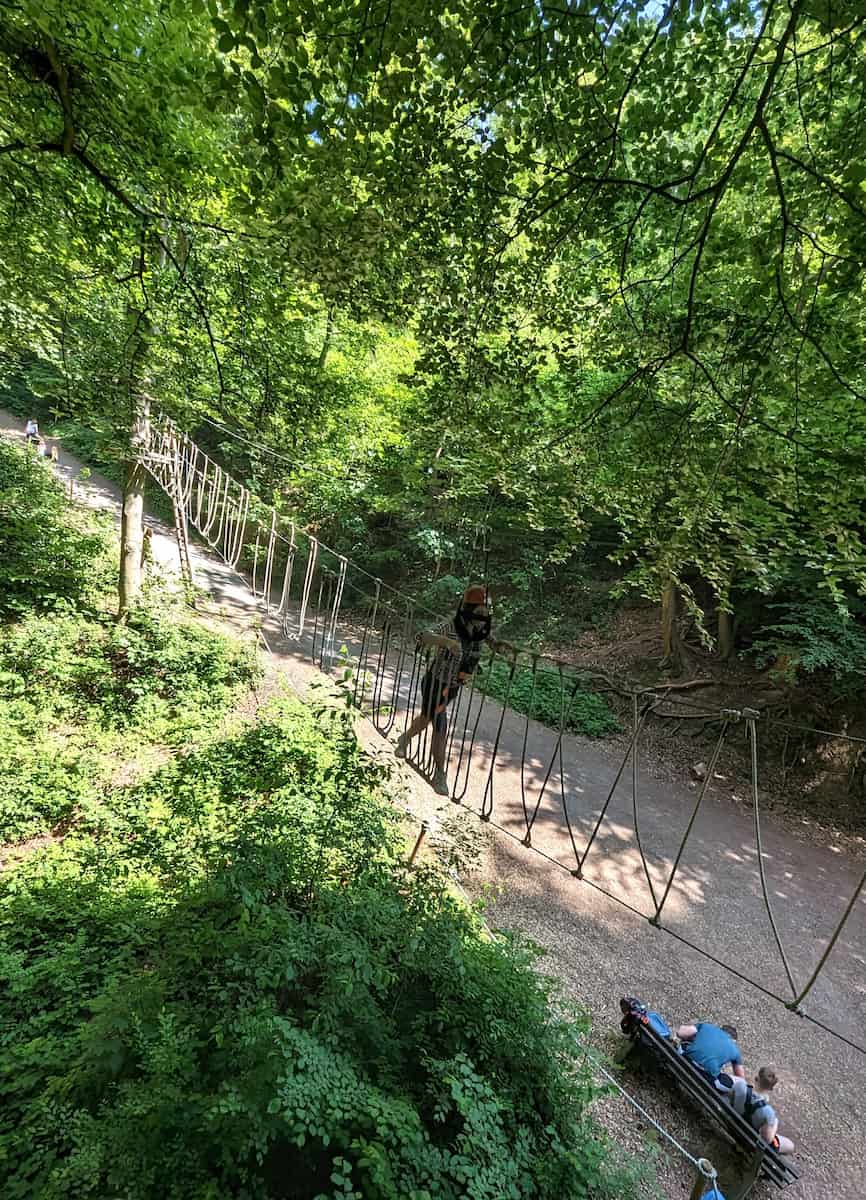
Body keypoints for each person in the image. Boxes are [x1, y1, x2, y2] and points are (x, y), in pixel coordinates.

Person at [395, 584, 493, 796]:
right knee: (440, 725)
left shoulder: (479, 632)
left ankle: (404, 738)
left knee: (427, 718)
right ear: (468, 609)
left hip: (453, 687)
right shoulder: (451, 626)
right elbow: (423, 636)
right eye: (479, 611)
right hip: (435, 683)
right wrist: (446, 642)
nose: (483, 616)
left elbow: (489, 647)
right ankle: (440, 775)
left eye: (485, 612)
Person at [717, 1065, 794, 1154]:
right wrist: (775, 1124)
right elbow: (767, 1140)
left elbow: (729, 1097)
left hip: (730, 1123)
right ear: (771, 1088)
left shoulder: (740, 1086)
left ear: (756, 1078)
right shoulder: (768, 1112)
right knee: (790, 1145)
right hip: (748, 1141)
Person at [676, 1020, 745, 1082]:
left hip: (685, 1061)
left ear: (720, 1029)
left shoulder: (706, 1026)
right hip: (705, 1077)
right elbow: (741, 1080)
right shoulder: (735, 1050)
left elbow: (680, 1033)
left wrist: (693, 1038)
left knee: (685, 1044)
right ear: (733, 1041)